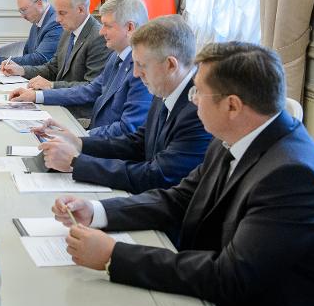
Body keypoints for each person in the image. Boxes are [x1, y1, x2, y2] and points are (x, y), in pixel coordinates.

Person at [52, 42, 314, 306]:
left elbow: (231, 276)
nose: (192, 100)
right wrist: (97, 211)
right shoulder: (232, 138)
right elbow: (178, 199)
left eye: (198, 92)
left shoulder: (293, 177)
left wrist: (114, 256)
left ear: (232, 106)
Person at [34, 15, 212, 193]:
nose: (135, 74)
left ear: (170, 65)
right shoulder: (165, 86)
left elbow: (158, 176)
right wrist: (79, 143)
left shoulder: (199, 110)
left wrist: (76, 163)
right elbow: (138, 143)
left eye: (142, 65)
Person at [10, 0, 151, 138]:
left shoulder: (142, 71)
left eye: (107, 26)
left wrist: (79, 137)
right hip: (95, 135)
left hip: (106, 144)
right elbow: (90, 90)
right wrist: (37, 96)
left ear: (130, 27)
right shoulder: (117, 56)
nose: (101, 32)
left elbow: (127, 129)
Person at [1, 0, 110, 118]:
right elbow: (52, 68)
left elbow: (91, 88)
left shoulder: (98, 37)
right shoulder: (68, 31)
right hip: (59, 103)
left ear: (81, 9)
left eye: (62, 13)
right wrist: (22, 70)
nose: (57, 19)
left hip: (79, 115)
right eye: (57, 12)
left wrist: (52, 86)